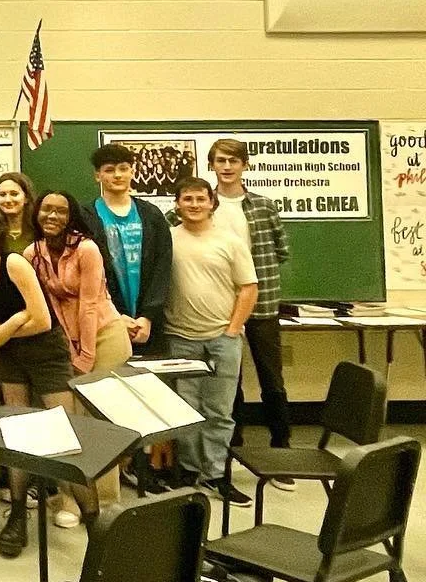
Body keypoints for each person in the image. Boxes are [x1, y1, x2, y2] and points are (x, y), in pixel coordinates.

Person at [0, 207, 86, 559]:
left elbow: (42, 320)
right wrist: (16, 320)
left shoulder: (14, 263)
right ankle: (17, 514)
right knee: (16, 436)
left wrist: (7, 326)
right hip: (9, 358)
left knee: (67, 435)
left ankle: (94, 521)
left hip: (45, 352)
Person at [26, 190, 133, 508]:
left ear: (70, 217)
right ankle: (70, 499)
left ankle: (107, 501)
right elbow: (51, 306)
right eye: (46, 210)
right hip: (66, 344)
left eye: (60, 211)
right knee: (65, 421)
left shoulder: (87, 249)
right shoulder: (34, 253)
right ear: (37, 214)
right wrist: (69, 349)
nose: (52, 216)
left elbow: (88, 304)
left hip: (104, 337)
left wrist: (84, 356)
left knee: (98, 424)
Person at [164, 177, 258, 506]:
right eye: (186, 198)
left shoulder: (230, 242)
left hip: (222, 338)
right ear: (177, 204)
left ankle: (215, 474)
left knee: (219, 411)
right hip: (180, 338)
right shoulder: (168, 239)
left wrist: (232, 330)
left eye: (200, 199)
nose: (193, 204)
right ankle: (189, 473)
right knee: (187, 409)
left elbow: (248, 288)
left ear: (211, 203)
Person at [204, 138, 293, 479]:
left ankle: (282, 452)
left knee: (272, 378)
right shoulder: (199, 203)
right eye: (220, 160)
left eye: (233, 161)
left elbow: (280, 250)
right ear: (211, 165)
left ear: (245, 165)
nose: (227, 167)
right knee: (229, 382)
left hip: (262, 302)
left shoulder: (263, 206)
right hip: (217, 307)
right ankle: (231, 451)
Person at [80, 143, 173, 357]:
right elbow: (86, 276)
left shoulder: (152, 215)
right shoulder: (85, 216)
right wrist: (115, 316)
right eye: (109, 170)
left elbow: (163, 267)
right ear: (98, 176)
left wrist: (148, 316)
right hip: (105, 322)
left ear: (132, 171)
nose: (117, 175)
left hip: (149, 325)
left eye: (123, 168)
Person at [0, 172, 37, 255]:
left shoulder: (39, 232)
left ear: (26, 198)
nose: (8, 200)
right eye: (2, 195)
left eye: (14, 194)